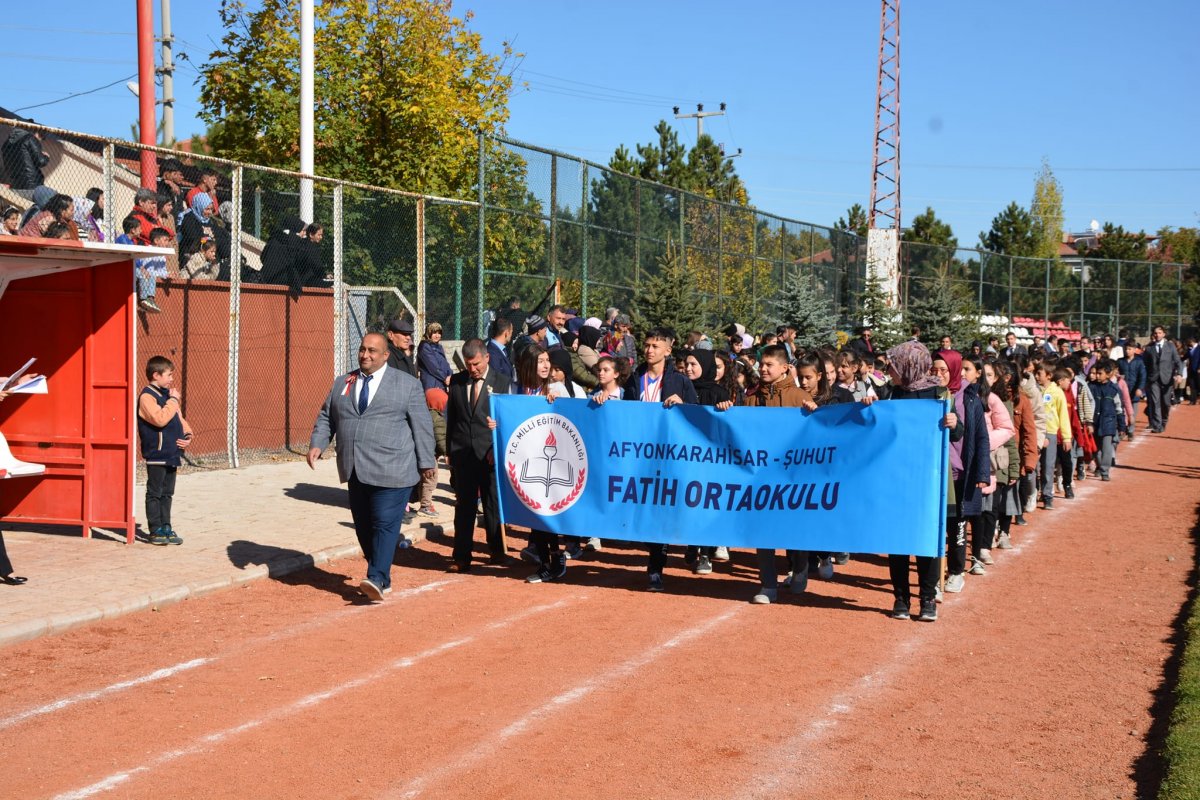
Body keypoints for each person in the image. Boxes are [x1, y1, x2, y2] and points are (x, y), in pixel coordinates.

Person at [308, 333, 437, 601]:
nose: (365, 355)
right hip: (355, 468)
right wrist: (318, 444)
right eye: (362, 349)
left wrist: (426, 462)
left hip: (394, 469)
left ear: (385, 355)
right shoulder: (343, 382)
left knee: (384, 524)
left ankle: (376, 576)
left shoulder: (407, 385)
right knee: (364, 527)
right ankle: (381, 575)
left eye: (372, 351)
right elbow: (327, 416)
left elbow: (422, 425)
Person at [884, 341, 960, 622]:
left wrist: (954, 422)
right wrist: (870, 407)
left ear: (908, 365)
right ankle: (900, 598)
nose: (890, 370)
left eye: (894, 365)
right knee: (898, 541)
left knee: (926, 540)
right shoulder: (891, 394)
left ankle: (927, 599)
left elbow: (957, 434)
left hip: (929, 480)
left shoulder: (939, 393)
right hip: (897, 479)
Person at [619, 327, 697, 591]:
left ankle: (656, 567)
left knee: (661, 508)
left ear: (668, 350)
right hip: (638, 453)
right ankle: (655, 551)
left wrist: (683, 405)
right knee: (641, 508)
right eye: (647, 345)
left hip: (668, 455)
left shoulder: (680, 381)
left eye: (655, 346)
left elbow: (697, 416)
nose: (649, 350)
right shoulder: (634, 378)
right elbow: (622, 411)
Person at [745, 346, 815, 604]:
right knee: (763, 530)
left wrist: (815, 412)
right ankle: (768, 585)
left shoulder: (799, 397)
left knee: (794, 528)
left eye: (769, 364)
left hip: (794, 476)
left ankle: (800, 569)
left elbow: (816, 433)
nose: (763, 368)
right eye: (761, 364)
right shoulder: (751, 398)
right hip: (762, 476)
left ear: (784, 368)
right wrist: (727, 409)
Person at [443, 337, 513, 573]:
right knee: (464, 506)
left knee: (492, 504)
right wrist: (449, 451)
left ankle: (497, 551)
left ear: (487, 358)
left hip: (489, 453)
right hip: (463, 454)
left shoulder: (502, 382)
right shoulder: (457, 382)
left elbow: (507, 420)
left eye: (476, 364)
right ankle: (461, 556)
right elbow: (452, 419)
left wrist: (497, 448)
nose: (472, 369)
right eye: (468, 364)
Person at [938, 350, 991, 595]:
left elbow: (981, 437)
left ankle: (956, 571)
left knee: (957, 524)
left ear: (954, 370)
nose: (938, 375)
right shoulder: (929, 394)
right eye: (934, 370)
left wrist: (982, 472)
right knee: (935, 526)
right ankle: (934, 576)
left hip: (960, 473)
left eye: (943, 370)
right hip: (936, 473)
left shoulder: (970, 398)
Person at [963, 356, 1014, 576]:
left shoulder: (990, 399)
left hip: (983, 460)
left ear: (978, 374)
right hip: (959, 461)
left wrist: (981, 442)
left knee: (982, 510)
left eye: (967, 369)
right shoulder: (956, 396)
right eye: (961, 368)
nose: (963, 373)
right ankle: (957, 558)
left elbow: (1007, 428)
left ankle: (980, 551)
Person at [137, 356, 193, 546]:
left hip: (172, 453)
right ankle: (155, 530)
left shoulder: (168, 397)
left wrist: (187, 435)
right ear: (156, 375)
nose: (171, 379)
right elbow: (160, 419)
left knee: (167, 493)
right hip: (157, 454)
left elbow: (178, 418)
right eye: (168, 375)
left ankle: (166, 526)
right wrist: (173, 400)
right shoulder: (147, 397)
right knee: (155, 492)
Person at [1035, 362, 1071, 509]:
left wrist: (1066, 437)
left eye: (1039, 374)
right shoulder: (1034, 390)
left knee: (1048, 466)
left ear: (1049, 376)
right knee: (1034, 465)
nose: (1036, 376)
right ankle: (1033, 492)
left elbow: (1063, 415)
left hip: (1050, 433)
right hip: (1036, 432)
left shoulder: (1057, 392)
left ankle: (1047, 495)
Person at [1142, 325, 1183, 433]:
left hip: (1167, 379)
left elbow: (1178, 361)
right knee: (1155, 402)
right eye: (1155, 333)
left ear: (1164, 334)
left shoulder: (1170, 346)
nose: (1157, 335)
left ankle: (1164, 421)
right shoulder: (1149, 348)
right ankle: (1157, 425)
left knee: (1165, 403)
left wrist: (1179, 374)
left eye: (1159, 333)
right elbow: (1144, 364)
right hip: (1153, 379)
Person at [1089, 359, 1121, 482]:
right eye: (1096, 373)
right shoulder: (1091, 387)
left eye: (1100, 373)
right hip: (1094, 422)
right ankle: (1099, 465)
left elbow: (1119, 408)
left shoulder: (1113, 389)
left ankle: (1105, 471)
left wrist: (1122, 425)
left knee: (1106, 448)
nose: (1097, 376)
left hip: (1108, 422)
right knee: (1096, 449)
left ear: (1108, 374)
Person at [1, 127, 48, 192]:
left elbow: (23, 157)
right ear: (37, 133)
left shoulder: (8, 142)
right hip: (31, 182)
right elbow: (41, 161)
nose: (39, 141)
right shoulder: (31, 138)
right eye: (41, 139)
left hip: (15, 182)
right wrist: (46, 156)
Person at [1120, 342, 1146, 439]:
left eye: (1129, 349)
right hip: (1123, 391)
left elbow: (1142, 376)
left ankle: (1131, 431)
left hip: (1134, 391)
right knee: (1122, 411)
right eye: (1126, 349)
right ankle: (1123, 429)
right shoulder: (1120, 361)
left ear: (1135, 350)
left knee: (1132, 412)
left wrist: (1140, 388)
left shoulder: (1139, 362)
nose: (1127, 351)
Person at [1187, 336, 1200, 405]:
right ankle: (1192, 401)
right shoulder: (1190, 349)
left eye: (1189, 342)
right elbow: (1186, 356)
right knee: (1192, 385)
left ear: (1192, 341)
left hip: (1198, 370)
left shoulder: (1199, 348)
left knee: (1198, 385)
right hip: (1191, 370)